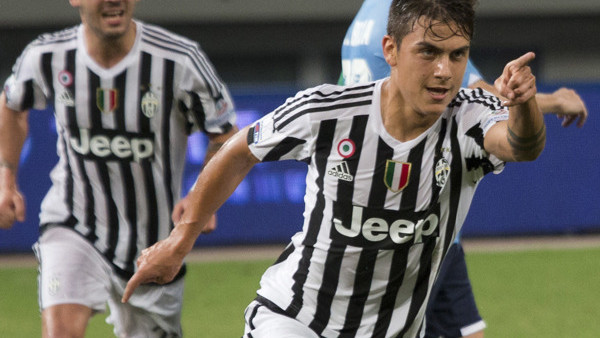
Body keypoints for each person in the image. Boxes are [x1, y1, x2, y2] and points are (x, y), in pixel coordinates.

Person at [122, 0, 546, 336]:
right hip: (295, 319)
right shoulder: (328, 111)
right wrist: (180, 240)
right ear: (391, 50)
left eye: (458, 56)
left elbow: (520, 145)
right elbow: (240, 150)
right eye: (428, 52)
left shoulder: (471, 116)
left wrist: (525, 105)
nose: (443, 71)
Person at [341, 0, 588, 337]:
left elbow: (348, 93)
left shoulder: (369, 14)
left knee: (469, 333)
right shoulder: (419, 21)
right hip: (410, 222)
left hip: (433, 223)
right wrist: (556, 100)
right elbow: (483, 96)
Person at [0, 0, 237, 336]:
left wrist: (202, 197)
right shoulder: (47, 56)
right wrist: (6, 178)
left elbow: (225, 135)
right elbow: (12, 105)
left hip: (153, 244)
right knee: (60, 332)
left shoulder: (179, 60)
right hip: (74, 220)